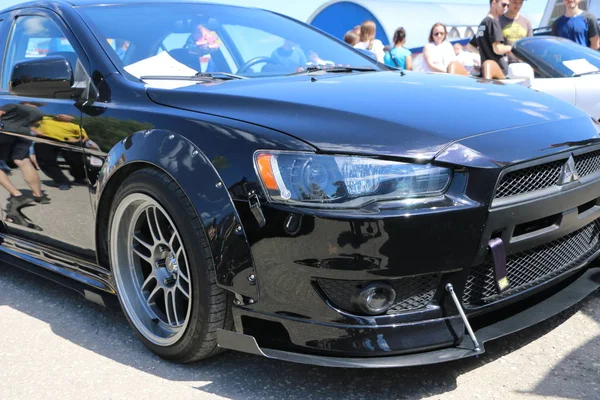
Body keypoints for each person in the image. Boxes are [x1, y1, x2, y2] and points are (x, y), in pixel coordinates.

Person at [468, 0, 513, 79]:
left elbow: (469, 46)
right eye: (504, 5)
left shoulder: (483, 23)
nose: (506, 8)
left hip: (486, 72)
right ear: (494, 3)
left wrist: (484, 52)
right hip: (499, 72)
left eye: (508, 6)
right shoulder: (493, 22)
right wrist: (513, 48)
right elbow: (497, 49)